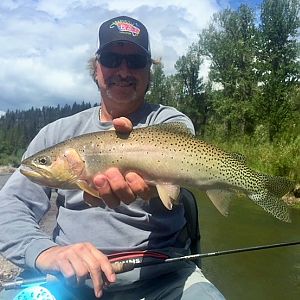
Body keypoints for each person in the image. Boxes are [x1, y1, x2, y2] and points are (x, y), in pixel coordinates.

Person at [0, 16, 225, 299]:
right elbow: (10, 205)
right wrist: (45, 252)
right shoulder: (55, 134)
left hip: (165, 277)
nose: (122, 69)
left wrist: (155, 189)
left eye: (135, 61)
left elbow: (177, 176)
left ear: (149, 73)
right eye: (111, 58)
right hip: (69, 280)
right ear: (96, 69)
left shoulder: (169, 122)